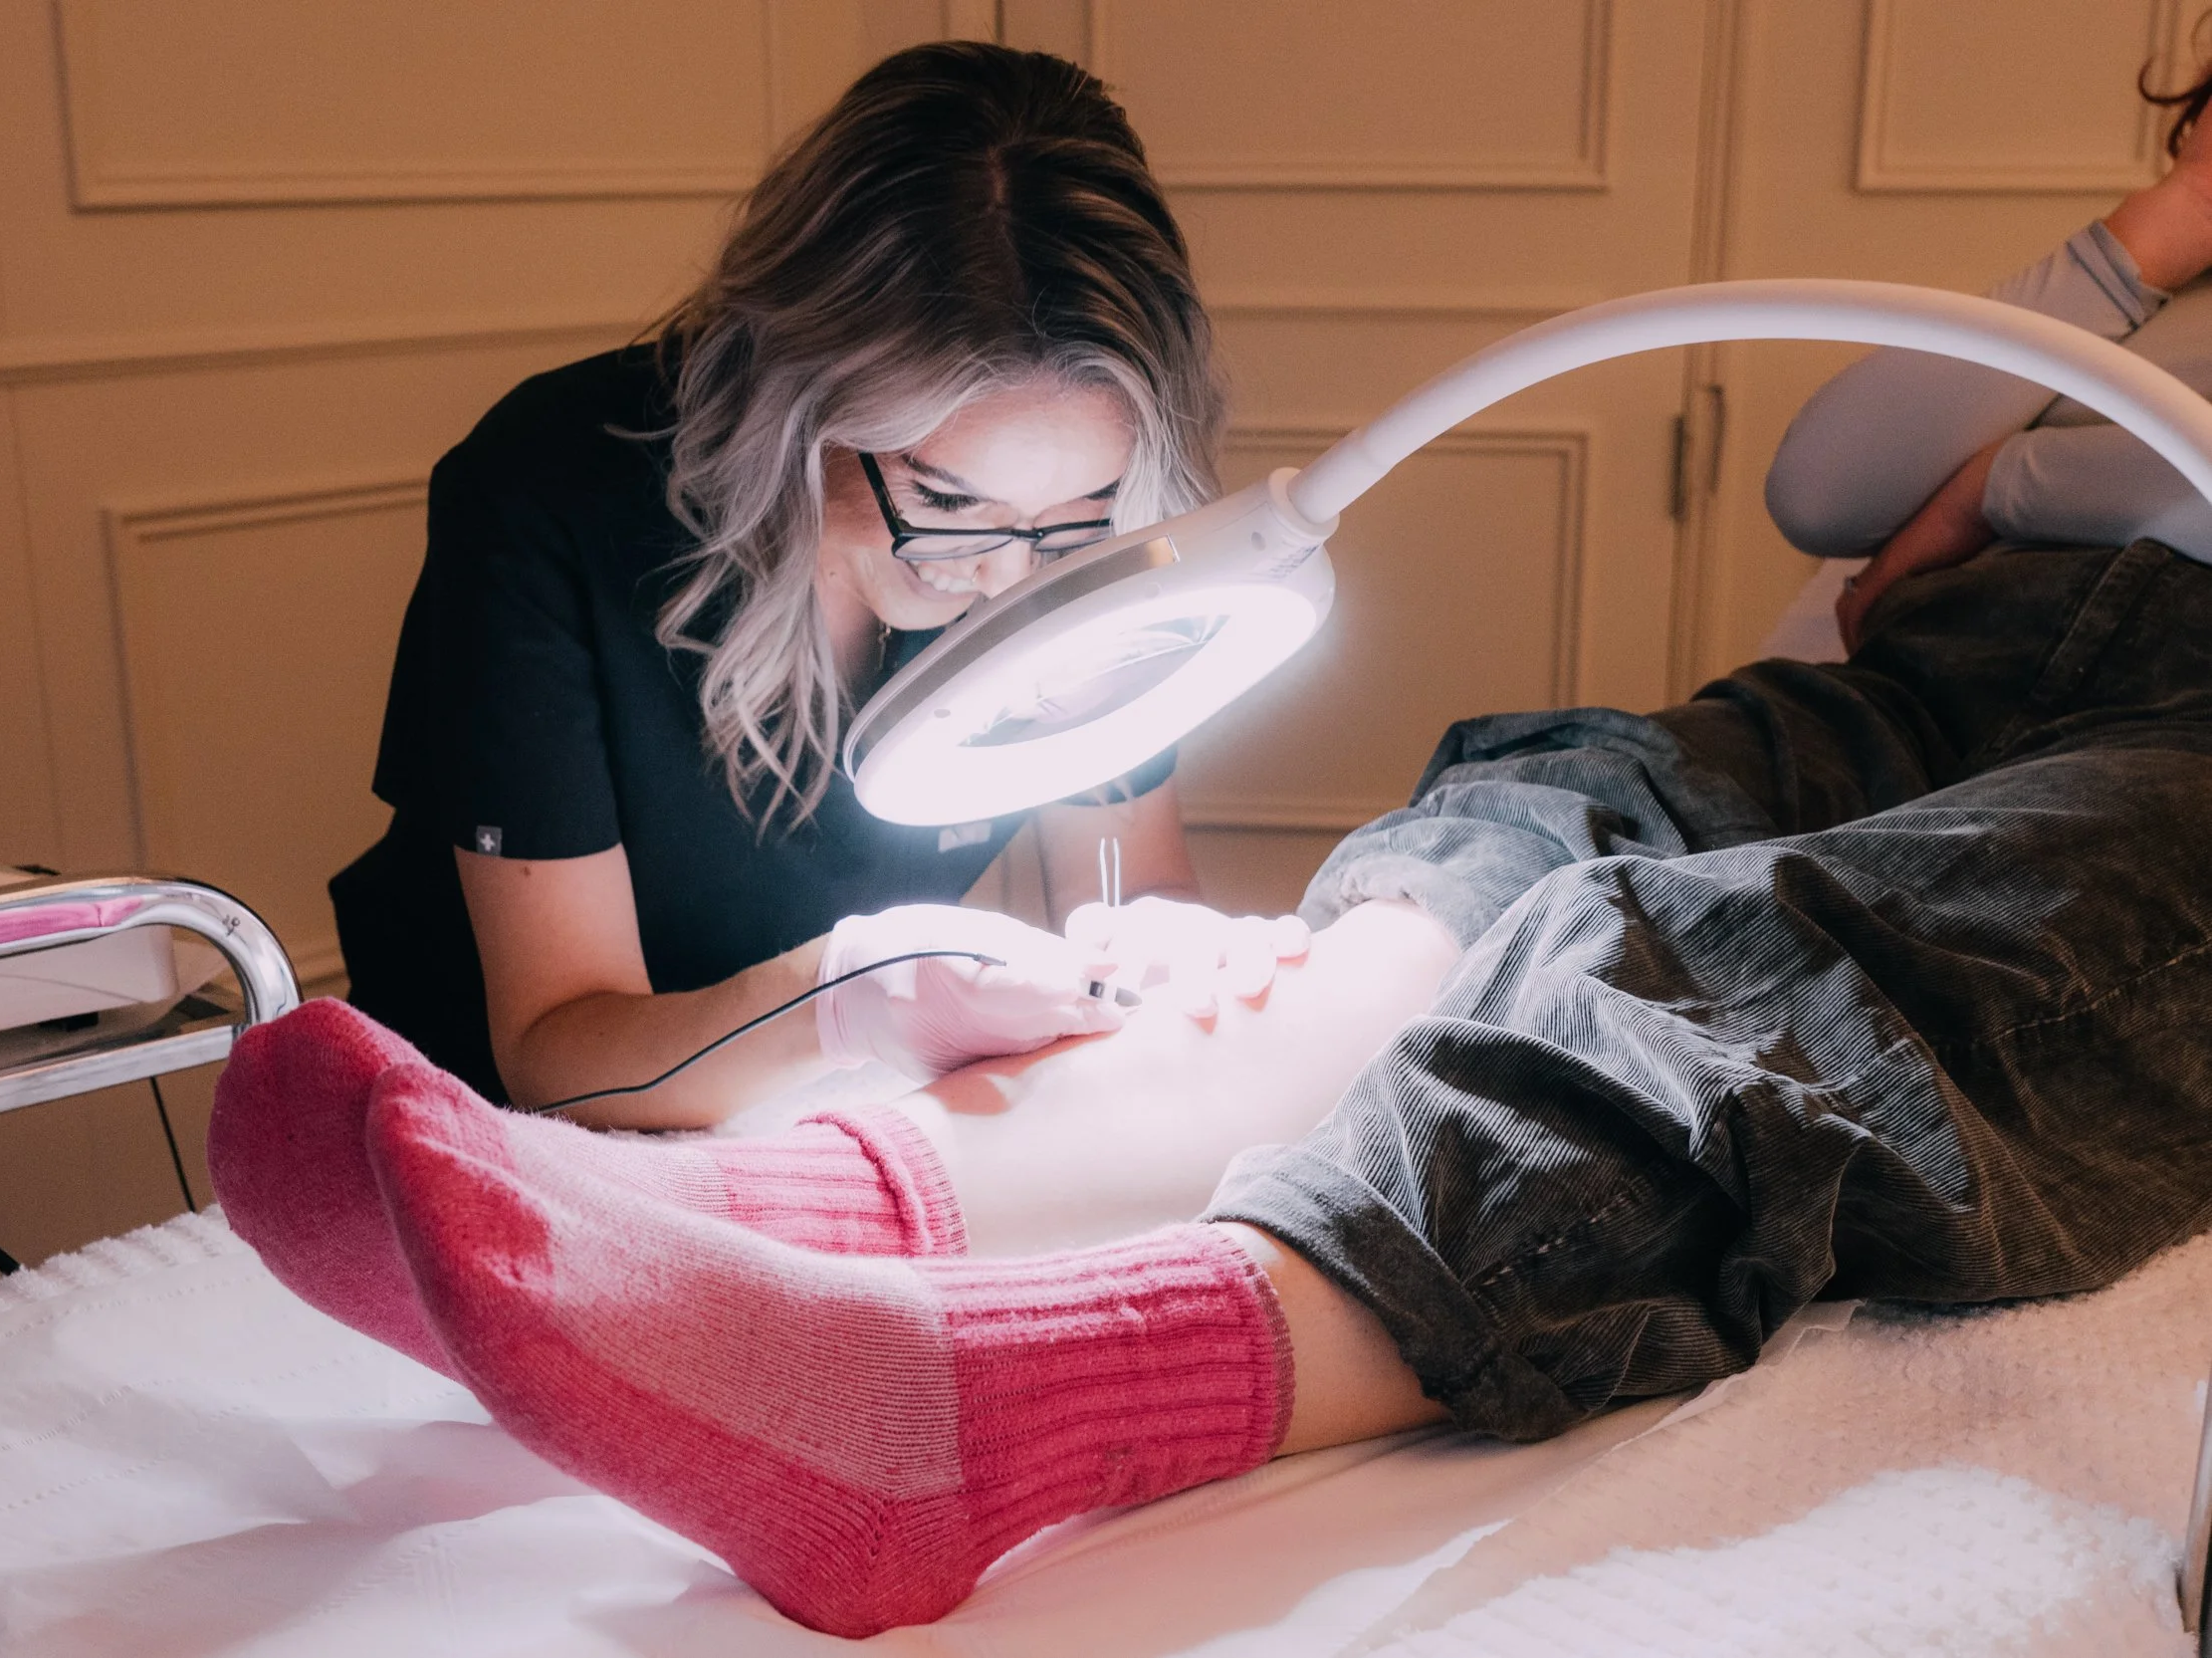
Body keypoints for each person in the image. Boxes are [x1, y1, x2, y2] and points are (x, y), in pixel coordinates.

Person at [216, 516, 2212, 1634]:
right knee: (1537, 808)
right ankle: (779, 1212)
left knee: (1759, 967)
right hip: (1968, 643)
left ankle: (973, 1409)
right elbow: (1834, 465)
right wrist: (2155, 228)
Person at [330, 43, 1292, 1121]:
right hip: (489, 1131)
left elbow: (1126, 883)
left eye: (1076, 520)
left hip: (817, 1116)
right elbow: (559, 1052)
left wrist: (1160, 948)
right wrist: (830, 1002)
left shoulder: (1059, 546)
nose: (1004, 577)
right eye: (949, 502)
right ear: (801, 403)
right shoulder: (548, 495)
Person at [1767, 36, 2212, 646]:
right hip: (1905, 686)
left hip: (2143, 717)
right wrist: (2186, 209)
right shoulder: (2161, 275)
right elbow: (1818, 496)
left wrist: (1985, 491)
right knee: (1612, 744)